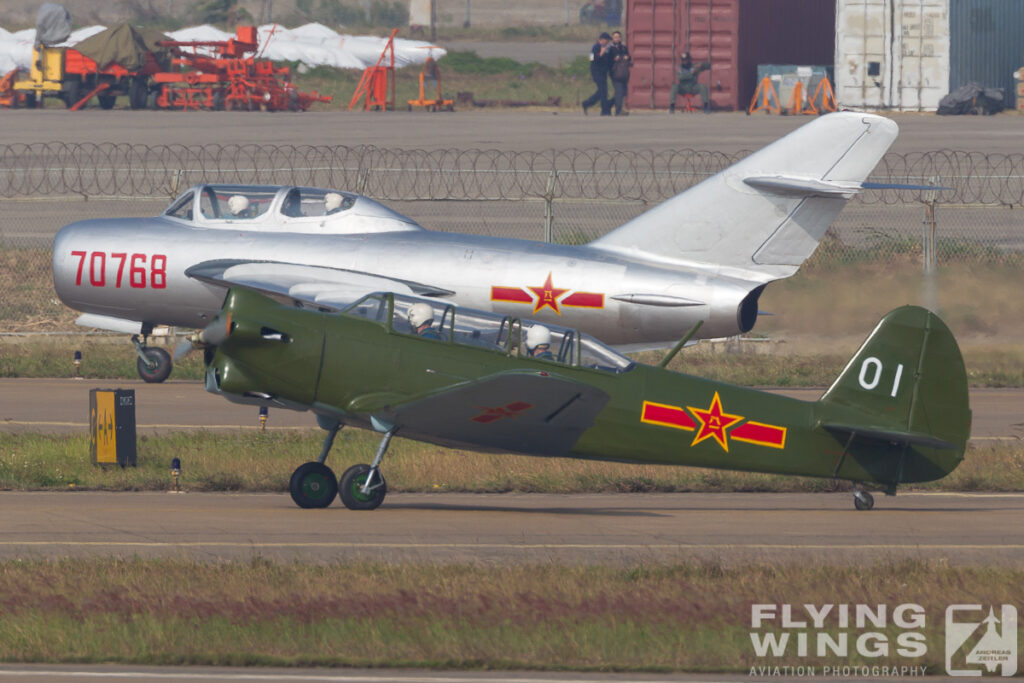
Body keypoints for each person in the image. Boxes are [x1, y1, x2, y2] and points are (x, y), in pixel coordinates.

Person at [582, 32, 613, 116]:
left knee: (603, 91)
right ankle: (604, 111)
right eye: (606, 40)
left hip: (603, 72)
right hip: (596, 72)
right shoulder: (595, 47)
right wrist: (601, 53)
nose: (607, 42)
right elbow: (592, 59)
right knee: (603, 91)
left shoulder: (607, 48)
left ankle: (586, 103)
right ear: (601, 40)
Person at [608, 30, 631, 116]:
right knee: (619, 92)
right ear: (612, 38)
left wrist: (627, 57)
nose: (617, 39)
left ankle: (608, 105)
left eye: (618, 37)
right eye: (615, 37)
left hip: (624, 73)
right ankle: (618, 110)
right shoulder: (610, 49)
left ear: (620, 38)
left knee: (624, 92)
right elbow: (607, 61)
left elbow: (629, 57)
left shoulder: (623, 48)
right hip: (615, 73)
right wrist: (614, 59)